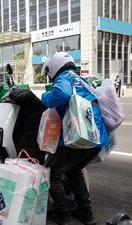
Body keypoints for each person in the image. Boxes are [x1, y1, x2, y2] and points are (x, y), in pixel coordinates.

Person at [41, 52, 109, 225]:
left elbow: (61, 94)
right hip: (96, 138)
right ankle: (86, 214)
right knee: (74, 171)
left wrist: (44, 98)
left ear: (55, 66)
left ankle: (62, 215)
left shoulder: (64, 78)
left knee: (53, 175)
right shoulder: (82, 80)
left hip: (78, 137)